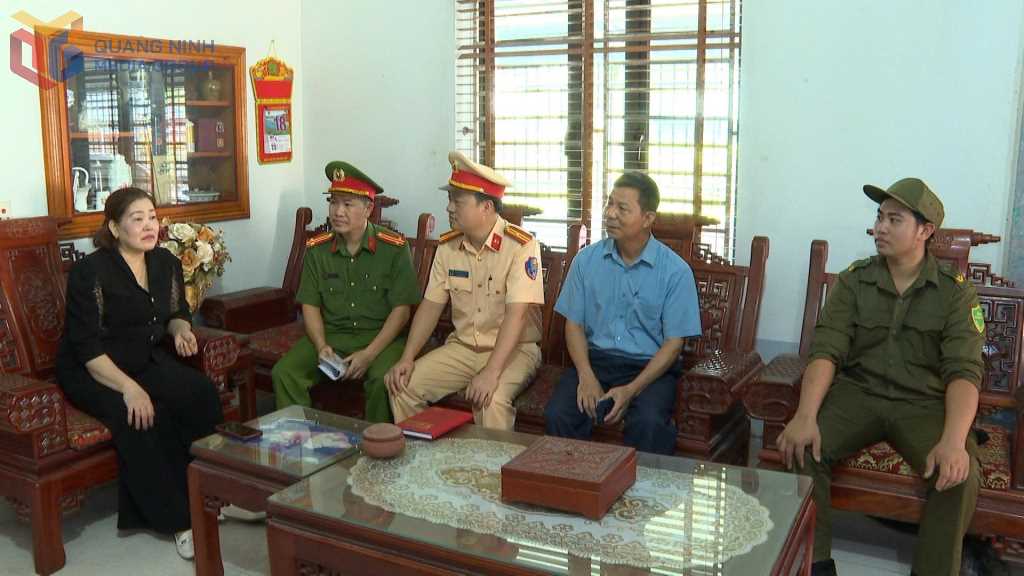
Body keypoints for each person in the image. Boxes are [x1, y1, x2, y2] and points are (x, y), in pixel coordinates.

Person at [776, 178, 984, 576]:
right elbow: (826, 350)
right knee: (799, 446)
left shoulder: (955, 293)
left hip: (924, 404)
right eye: (879, 217)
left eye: (894, 219)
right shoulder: (855, 281)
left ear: (925, 231)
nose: (880, 228)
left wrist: (954, 440)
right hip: (859, 395)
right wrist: (805, 415)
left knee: (959, 474)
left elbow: (964, 371)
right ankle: (815, 566)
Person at [56, 187, 224, 560]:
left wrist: (181, 331)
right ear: (115, 228)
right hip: (93, 369)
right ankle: (179, 519)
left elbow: (176, 312)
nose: (149, 226)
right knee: (143, 417)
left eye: (152, 217)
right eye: (138, 219)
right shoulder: (91, 272)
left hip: (142, 357)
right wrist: (129, 389)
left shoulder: (164, 262)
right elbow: (87, 348)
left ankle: (212, 492)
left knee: (200, 392)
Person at [543, 172, 702, 455]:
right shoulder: (586, 261)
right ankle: (575, 481)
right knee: (559, 413)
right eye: (609, 204)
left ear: (648, 218)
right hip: (595, 361)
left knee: (649, 423)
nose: (610, 214)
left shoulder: (675, 272)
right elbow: (573, 324)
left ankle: (641, 486)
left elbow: (673, 344)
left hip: (649, 369)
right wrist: (586, 376)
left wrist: (631, 390)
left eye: (622, 208)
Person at [386, 151, 543, 430]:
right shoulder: (448, 246)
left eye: (457, 202)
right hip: (463, 348)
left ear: (486, 207)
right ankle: (427, 455)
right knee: (403, 386)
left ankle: (491, 461)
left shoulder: (521, 246)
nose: (449, 208)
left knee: (490, 400)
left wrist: (491, 372)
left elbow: (517, 315)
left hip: (514, 350)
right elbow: (430, 306)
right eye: (449, 200)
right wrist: (407, 357)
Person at [272, 161, 420, 422]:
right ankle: (300, 441)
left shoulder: (394, 248)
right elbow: (310, 305)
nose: (337, 212)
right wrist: (321, 346)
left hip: (381, 339)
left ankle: (377, 443)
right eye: (333, 202)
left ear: (369, 209)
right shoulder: (318, 249)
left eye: (347, 204)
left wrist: (369, 354)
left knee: (383, 381)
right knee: (284, 373)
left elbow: (402, 311)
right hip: (332, 336)